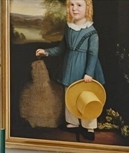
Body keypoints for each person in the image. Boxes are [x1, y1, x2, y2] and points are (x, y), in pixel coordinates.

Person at [35, 0, 106, 140]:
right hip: (70, 66)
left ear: (88, 8)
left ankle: (89, 126)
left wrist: (89, 73)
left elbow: (93, 54)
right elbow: (62, 49)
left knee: (86, 96)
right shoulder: (68, 28)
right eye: (72, 5)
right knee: (70, 94)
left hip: (85, 68)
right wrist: (46, 52)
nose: (75, 8)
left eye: (79, 5)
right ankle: (72, 122)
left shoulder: (91, 32)